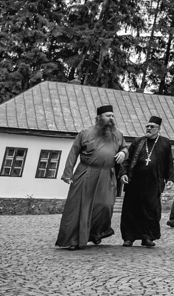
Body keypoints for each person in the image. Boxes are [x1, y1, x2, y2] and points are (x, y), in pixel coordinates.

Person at [55, 105, 129, 250]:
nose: (111, 118)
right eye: (108, 115)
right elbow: (74, 151)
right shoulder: (85, 133)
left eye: (113, 116)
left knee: (105, 205)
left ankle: (96, 233)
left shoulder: (118, 134)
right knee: (80, 207)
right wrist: (67, 173)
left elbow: (124, 148)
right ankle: (73, 240)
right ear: (98, 118)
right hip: (86, 172)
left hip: (107, 174)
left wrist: (123, 153)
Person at [120, 115, 173, 247]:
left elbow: (169, 162)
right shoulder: (138, 141)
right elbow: (127, 158)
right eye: (147, 126)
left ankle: (148, 237)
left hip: (153, 183)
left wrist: (170, 178)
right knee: (131, 210)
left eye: (152, 127)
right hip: (135, 182)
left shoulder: (165, 143)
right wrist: (123, 173)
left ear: (158, 129)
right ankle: (129, 237)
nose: (148, 128)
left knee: (151, 210)